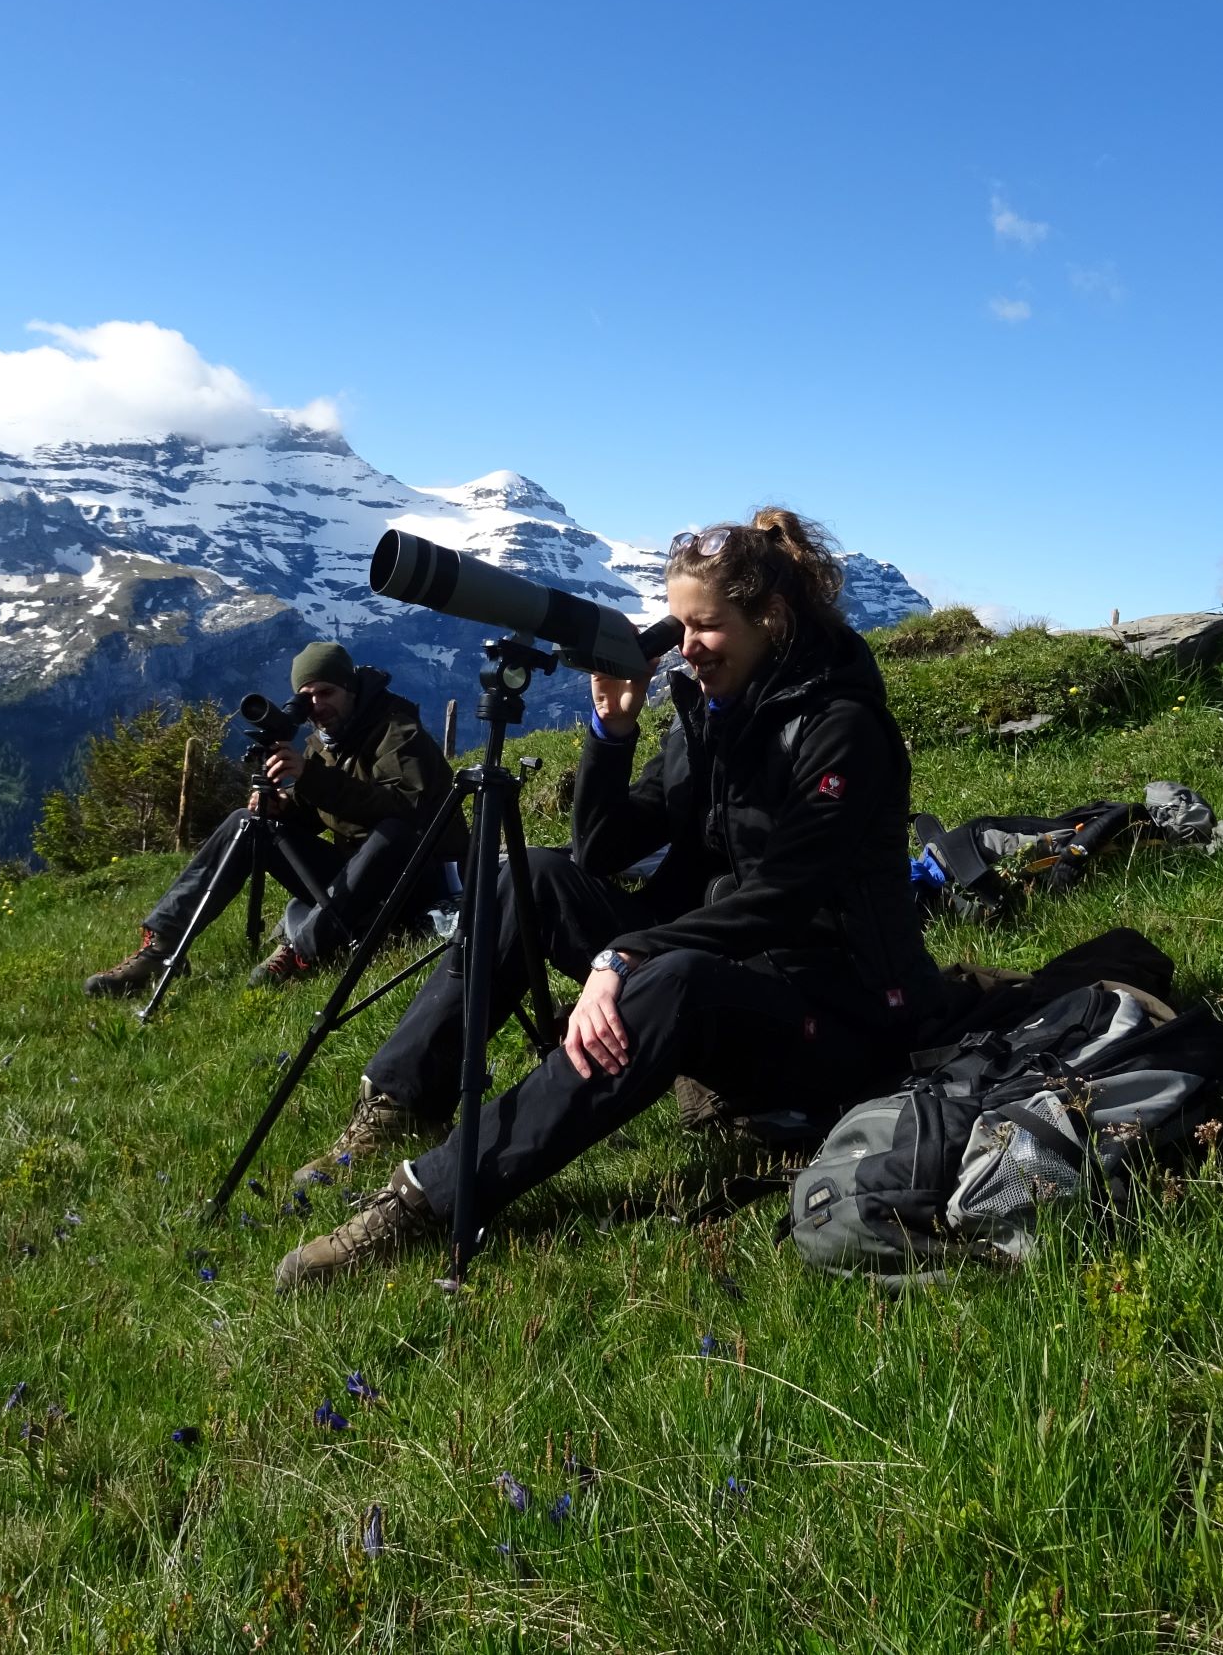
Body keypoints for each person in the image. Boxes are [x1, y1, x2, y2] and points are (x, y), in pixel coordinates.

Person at [276, 509, 942, 1287]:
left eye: (707, 628)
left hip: (842, 1015)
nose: (685, 649)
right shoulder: (710, 714)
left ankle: (428, 1198)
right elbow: (602, 850)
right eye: (679, 626)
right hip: (738, 967)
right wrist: (610, 733)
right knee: (532, 875)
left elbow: (786, 896)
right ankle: (400, 1098)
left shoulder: (841, 730)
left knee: (673, 982)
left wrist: (628, 953)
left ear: (772, 618)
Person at [83, 642, 466, 996]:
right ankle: (162, 948)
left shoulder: (396, 731)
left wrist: (311, 778)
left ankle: (303, 951)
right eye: (307, 696)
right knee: (246, 824)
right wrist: (283, 808)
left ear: (350, 689)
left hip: (419, 879)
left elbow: (405, 810)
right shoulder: (325, 742)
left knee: (392, 833)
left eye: (326, 693)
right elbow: (324, 811)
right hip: (357, 879)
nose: (317, 705)